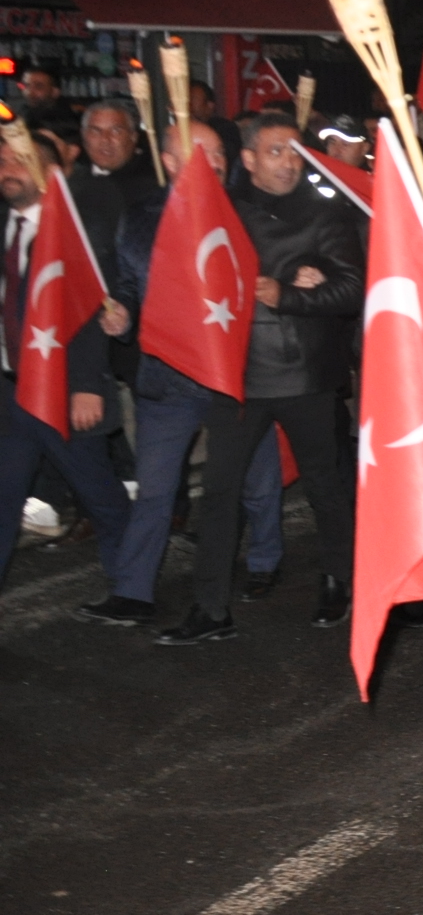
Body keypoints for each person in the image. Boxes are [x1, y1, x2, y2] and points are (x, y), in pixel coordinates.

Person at [160, 112, 365, 643]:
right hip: (236, 376)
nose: (288, 161)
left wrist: (288, 294)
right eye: (275, 151)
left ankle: (339, 581)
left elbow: (352, 290)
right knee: (221, 492)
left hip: (303, 375)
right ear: (248, 159)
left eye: (295, 151)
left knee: (325, 486)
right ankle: (210, 608)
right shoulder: (221, 209)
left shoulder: (325, 213)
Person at [76, 127, 286, 627]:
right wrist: (122, 313)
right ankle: (132, 591)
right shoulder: (144, 216)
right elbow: (128, 283)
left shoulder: (243, 211)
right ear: (170, 161)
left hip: (233, 371)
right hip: (167, 377)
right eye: (202, 152)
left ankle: (264, 560)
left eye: (219, 152)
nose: (215, 160)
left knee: (255, 478)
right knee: (154, 491)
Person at [0, 134, 132, 600]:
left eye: (21, 161)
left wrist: (86, 385)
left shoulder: (75, 232)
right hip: (11, 390)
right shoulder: (5, 227)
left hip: (60, 390)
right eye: (3, 160)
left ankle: (131, 586)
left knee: (101, 497)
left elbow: (91, 314)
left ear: (50, 174)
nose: (7, 168)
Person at [79, 98, 158, 209]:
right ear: (84, 136)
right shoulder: (73, 179)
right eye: (95, 131)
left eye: (116, 131)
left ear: (133, 137)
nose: (105, 139)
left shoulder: (152, 187)